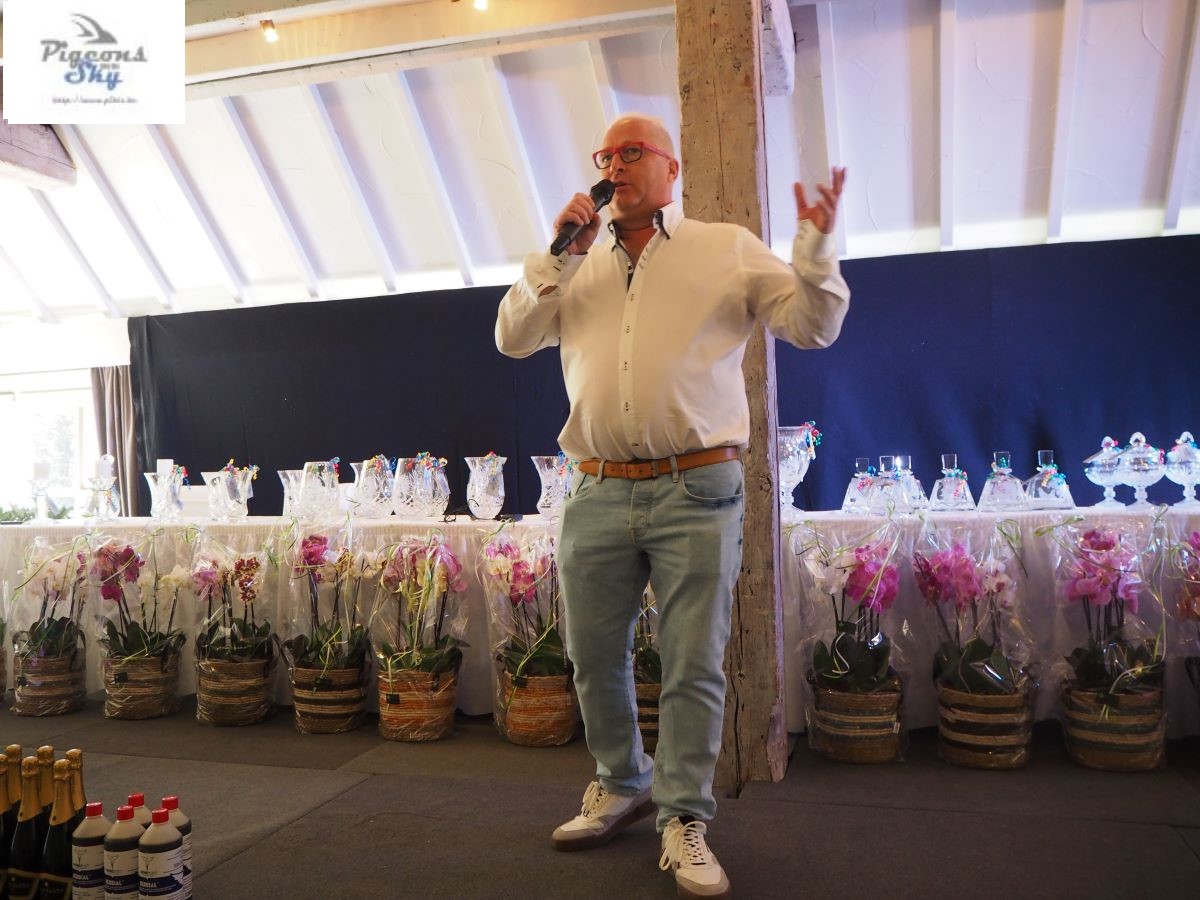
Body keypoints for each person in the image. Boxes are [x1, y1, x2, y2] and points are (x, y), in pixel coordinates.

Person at [495, 113, 849, 899]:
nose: (614, 166)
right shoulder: (575, 262)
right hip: (595, 487)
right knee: (593, 655)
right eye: (605, 156)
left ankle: (683, 814)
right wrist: (556, 255)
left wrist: (816, 249)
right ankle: (622, 781)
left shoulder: (724, 246)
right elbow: (513, 338)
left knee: (692, 660)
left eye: (632, 152)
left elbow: (811, 326)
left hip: (697, 486)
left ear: (672, 168)